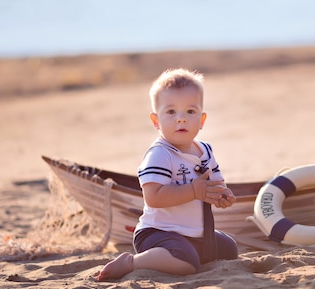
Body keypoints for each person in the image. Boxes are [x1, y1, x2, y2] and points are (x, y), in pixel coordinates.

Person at [98, 68, 238, 281]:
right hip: (158, 232)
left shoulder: (205, 151)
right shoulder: (160, 154)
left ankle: (182, 254)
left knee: (229, 249)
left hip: (196, 233)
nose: (181, 119)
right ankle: (131, 262)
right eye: (171, 112)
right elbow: (153, 197)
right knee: (185, 262)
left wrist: (222, 195)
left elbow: (216, 184)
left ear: (202, 119)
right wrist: (193, 190)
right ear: (156, 121)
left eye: (190, 112)